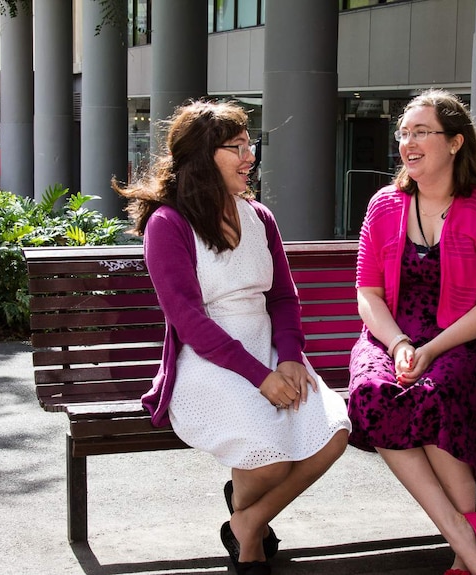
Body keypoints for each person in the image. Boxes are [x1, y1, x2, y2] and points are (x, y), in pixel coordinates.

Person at [115, 100, 351, 575]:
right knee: (268, 457)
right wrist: (259, 377)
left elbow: (283, 298)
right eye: (237, 147)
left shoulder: (259, 217)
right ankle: (251, 546)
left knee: (334, 433)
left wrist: (288, 360)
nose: (250, 157)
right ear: (203, 155)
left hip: (270, 350)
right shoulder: (168, 223)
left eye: (250, 145)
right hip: (209, 361)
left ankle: (248, 520)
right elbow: (188, 321)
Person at [347, 89, 476, 575]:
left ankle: (468, 556)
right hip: (393, 334)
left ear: (455, 142)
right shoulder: (384, 205)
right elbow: (368, 295)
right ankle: (467, 539)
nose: (408, 142)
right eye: (404, 133)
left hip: (469, 337)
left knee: (434, 397)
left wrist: (430, 350)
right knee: (373, 394)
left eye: (421, 132)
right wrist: (401, 344)